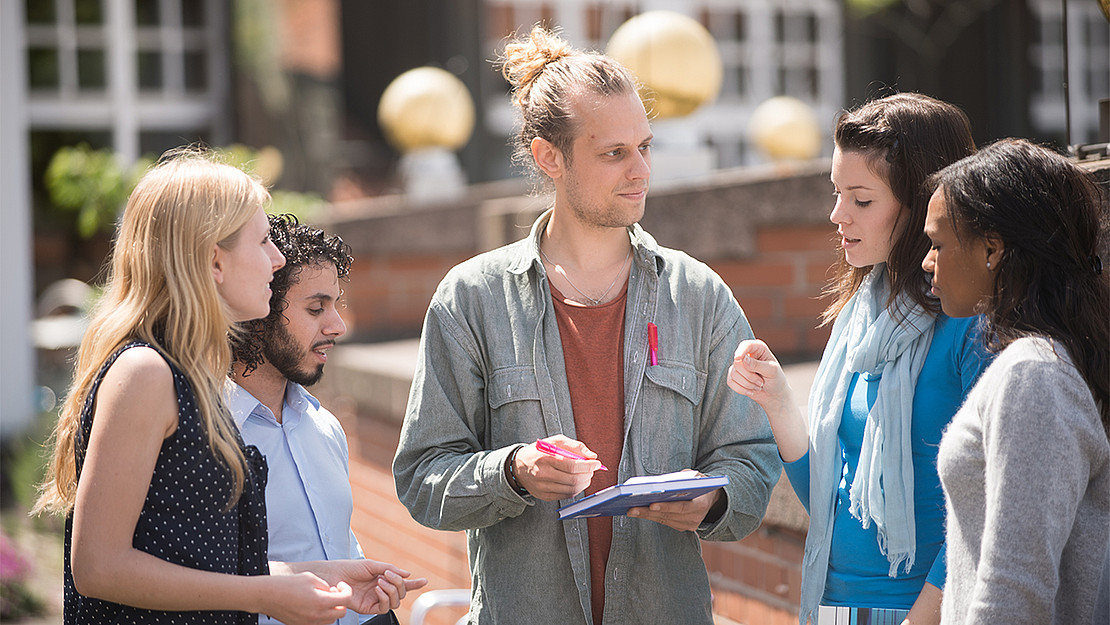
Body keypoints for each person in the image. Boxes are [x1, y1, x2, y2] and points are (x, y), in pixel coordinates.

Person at [391, 25, 781, 625]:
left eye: (645, 147)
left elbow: (751, 459)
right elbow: (422, 478)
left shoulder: (698, 295)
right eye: (614, 153)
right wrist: (512, 471)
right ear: (551, 157)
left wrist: (714, 499)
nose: (641, 172)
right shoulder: (471, 299)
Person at [32, 150, 388, 625]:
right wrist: (262, 596)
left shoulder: (186, 375)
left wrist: (320, 575)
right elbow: (98, 567)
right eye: (263, 242)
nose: (277, 259)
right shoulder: (146, 372)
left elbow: (198, 561)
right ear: (214, 262)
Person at [727, 93, 990, 625]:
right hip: (834, 604)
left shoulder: (971, 324)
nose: (837, 214)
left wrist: (925, 617)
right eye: (836, 193)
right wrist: (778, 401)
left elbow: (987, 500)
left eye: (861, 200)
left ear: (923, 206)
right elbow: (826, 499)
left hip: (925, 610)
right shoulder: (860, 318)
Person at [922, 138, 1110, 624]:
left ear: (992, 249)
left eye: (938, 244)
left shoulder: (1034, 375)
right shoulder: (1045, 363)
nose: (927, 261)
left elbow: (1014, 588)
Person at [229, 214, 428, 625]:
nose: (337, 326)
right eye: (316, 307)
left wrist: (372, 593)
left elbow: (338, 549)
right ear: (259, 308)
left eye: (335, 305)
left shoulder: (324, 425)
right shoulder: (205, 435)